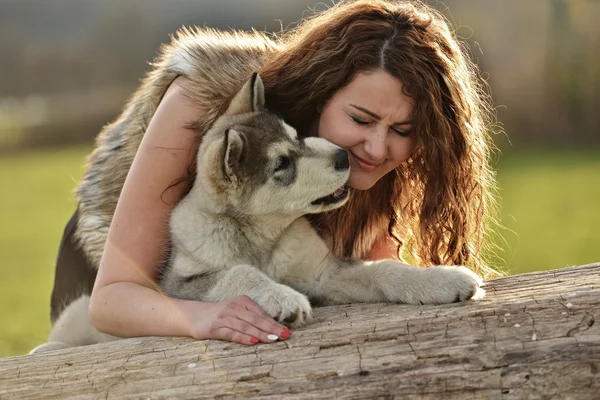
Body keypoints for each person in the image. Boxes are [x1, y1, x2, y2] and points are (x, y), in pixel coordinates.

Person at [50, 0, 502, 347]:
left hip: (257, 272)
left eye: (402, 130)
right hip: (110, 277)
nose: (378, 147)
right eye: (361, 120)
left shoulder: (372, 168)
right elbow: (112, 301)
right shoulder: (207, 98)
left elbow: (358, 276)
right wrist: (206, 317)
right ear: (321, 94)